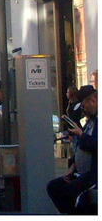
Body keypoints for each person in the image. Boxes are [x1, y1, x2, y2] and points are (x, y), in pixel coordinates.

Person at [47, 85, 97, 213]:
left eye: (84, 106)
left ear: (94, 101)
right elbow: (81, 147)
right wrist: (72, 165)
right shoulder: (90, 122)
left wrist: (81, 134)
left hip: (93, 174)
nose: (83, 109)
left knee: (70, 191)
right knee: (54, 186)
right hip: (80, 172)